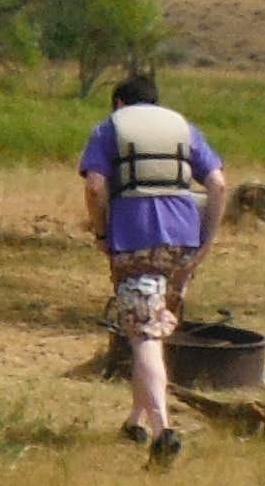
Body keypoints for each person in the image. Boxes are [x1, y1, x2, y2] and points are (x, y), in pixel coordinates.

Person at [79, 67, 226, 459]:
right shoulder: (184, 128)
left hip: (135, 239)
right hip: (182, 241)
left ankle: (164, 431)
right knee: (152, 328)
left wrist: (101, 233)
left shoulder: (109, 128)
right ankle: (136, 422)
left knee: (144, 335)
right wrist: (206, 241)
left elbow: (95, 186)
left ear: (120, 103)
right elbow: (218, 184)